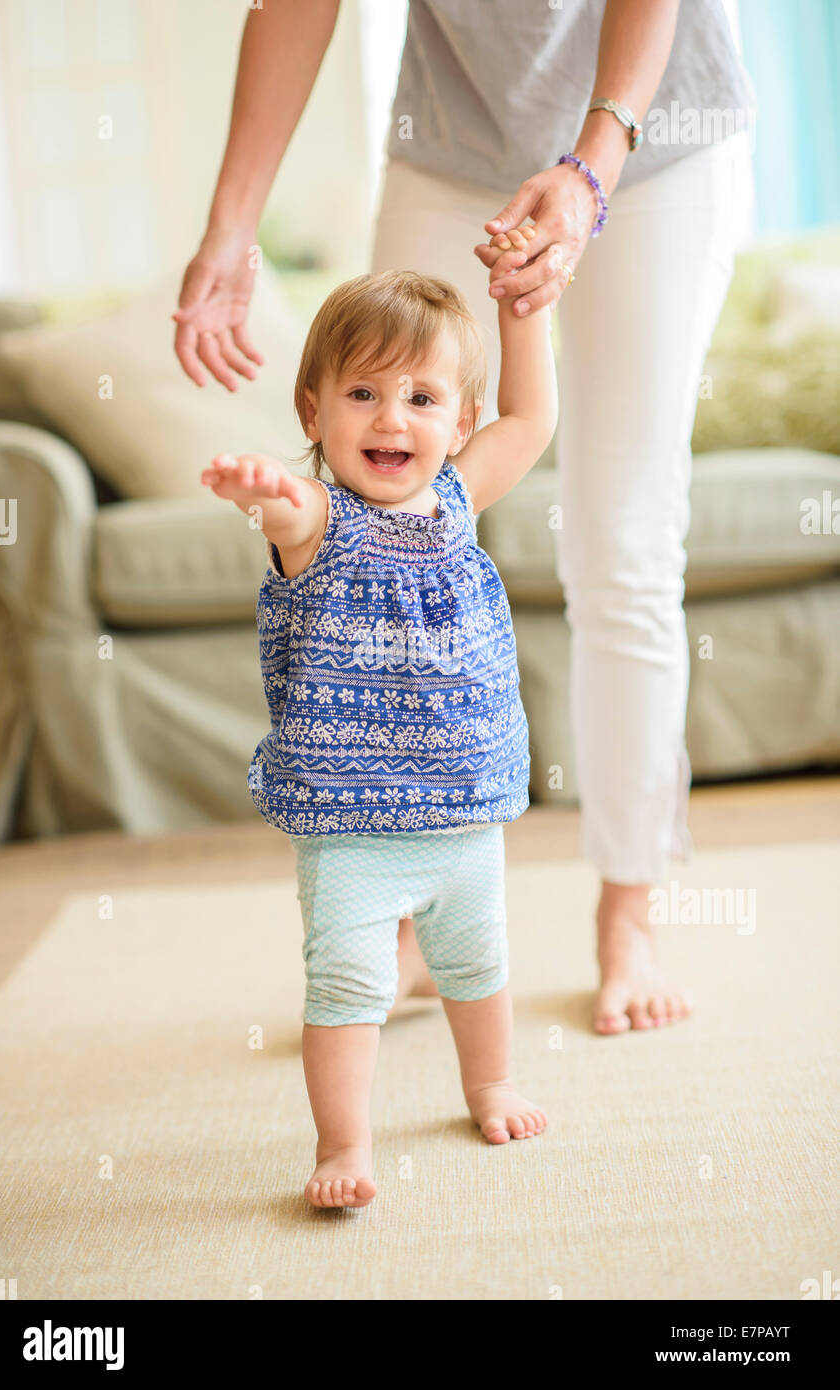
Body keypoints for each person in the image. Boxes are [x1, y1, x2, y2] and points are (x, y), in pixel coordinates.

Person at [174, 0, 756, 1035]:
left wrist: (590, 168)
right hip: (451, 139)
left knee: (620, 545)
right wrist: (231, 225)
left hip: (654, 138)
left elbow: (524, 421)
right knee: (384, 520)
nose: (385, 419)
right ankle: (404, 927)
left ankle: (630, 914)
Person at [201, 236, 557, 1207]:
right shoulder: (320, 516)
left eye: (421, 398)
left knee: (479, 966)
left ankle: (490, 1083)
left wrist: (524, 309)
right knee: (349, 990)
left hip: (464, 810)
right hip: (352, 828)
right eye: (362, 395)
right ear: (313, 412)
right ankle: (343, 1144)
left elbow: (532, 414)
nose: (392, 416)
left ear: (459, 419)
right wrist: (264, 494)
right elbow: (288, 510)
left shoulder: (456, 496)